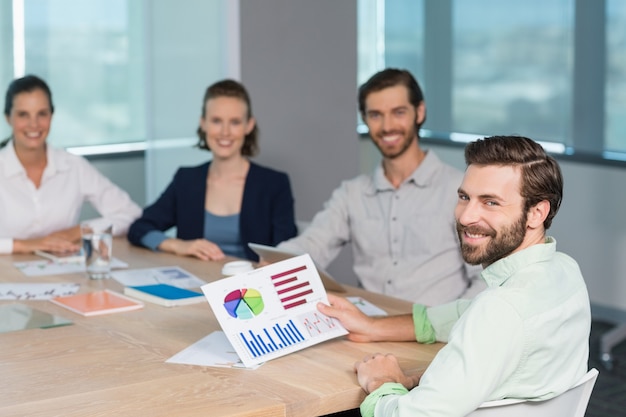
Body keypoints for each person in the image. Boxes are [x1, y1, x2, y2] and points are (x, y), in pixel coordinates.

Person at [318, 135, 591, 417]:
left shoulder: (501, 310)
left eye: (490, 203)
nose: (465, 217)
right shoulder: (564, 270)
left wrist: (380, 381)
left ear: (536, 213)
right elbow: (467, 314)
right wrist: (372, 327)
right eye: (464, 197)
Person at [278, 68, 482, 304]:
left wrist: (445, 325)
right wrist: (272, 262)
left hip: (435, 333)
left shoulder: (459, 191)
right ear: (365, 119)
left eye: (398, 112)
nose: (387, 126)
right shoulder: (352, 193)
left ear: (420, 112)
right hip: (367, 328)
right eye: (375, 115)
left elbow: (484, 278)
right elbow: (313, 244)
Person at [127, 79, 298, 261]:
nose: (225, 132)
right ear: (203, 123)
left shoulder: (274, 184)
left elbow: (286, 252)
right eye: (216, 121)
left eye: (235, 122)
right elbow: (139, 228)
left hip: (252, 287)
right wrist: (179, 245)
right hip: (196, 284)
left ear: (249, 125)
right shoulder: (186, 180)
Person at [0, 75, 142, 255]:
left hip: (62, 273)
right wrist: (27, 245)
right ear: (8, 118)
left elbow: (131, 214)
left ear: (52, 115)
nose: (33, 124)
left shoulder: (73, 166)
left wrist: (75, 232)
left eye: (42, 114)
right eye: (23, 115)